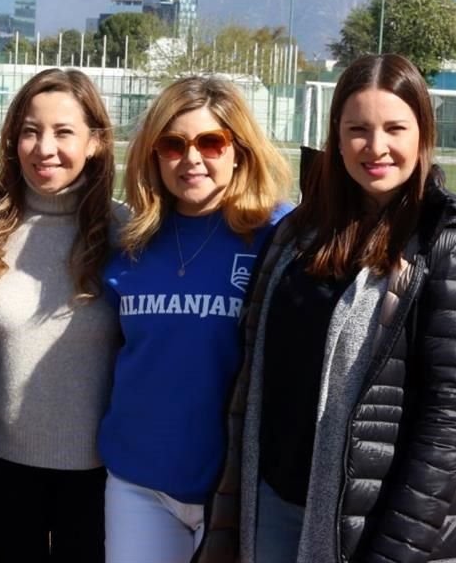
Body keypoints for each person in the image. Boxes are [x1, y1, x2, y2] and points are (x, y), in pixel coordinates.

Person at [193, 53, 456, 563]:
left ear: (423, 135)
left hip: (382, 527)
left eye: (394, 128)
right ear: (336, 137)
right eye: (358, 129)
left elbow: (449, 424)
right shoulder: (297, 235)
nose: (376, 146)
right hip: (275, 502)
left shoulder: (451, 246)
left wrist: (392, 552)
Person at [98, 75, 294, 563]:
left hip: (235, 488)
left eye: (210, 142)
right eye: (173, 144)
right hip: (139, 484)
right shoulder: (130, 243)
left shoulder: (279, 236)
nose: (191, 159)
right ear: (153, 153)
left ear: (238, 150)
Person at [0, 68, 125, 562]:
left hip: (99, 471)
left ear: (96, 142)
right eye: (30, 131)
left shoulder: (129, 231)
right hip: (1, 463)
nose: (43, 148)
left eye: (63, 132)